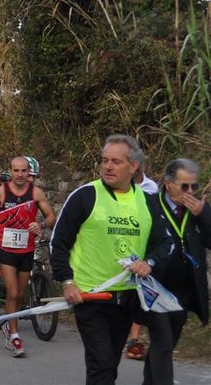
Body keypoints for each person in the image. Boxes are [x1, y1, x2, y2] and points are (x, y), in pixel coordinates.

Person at [50, 134, 172, 384]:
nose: (107, 166)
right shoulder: (85, 196)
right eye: (104, 160)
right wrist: (67, 282)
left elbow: (165, 243)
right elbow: (58, 243)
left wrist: (148, 263)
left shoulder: (148, 202)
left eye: (116, 161)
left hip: (127, 297)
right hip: (91, 297)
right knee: (102, 366)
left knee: (110, 365)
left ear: (134, 166)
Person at [139, 158, 210, 385]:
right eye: (184, 186)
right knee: (163, 340)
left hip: (183, 291)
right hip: (156, 286)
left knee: (166, 344)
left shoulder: (197, 209)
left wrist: (203, 214)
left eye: (194, 187)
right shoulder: (149, 204)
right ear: (168, 183)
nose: (190, 192)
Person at [0, 156, 55, 357]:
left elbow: (51, 217)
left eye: (24, 171)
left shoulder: (36, 192)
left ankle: (9, 327)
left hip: (26, 249)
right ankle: (14, 335)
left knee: (21, 294)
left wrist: (41, 225)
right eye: (16, 170)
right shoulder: (1, 191)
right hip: (6, 249)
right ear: (10, 172)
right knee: (12, 293)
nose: (20, 174)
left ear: (29, 172)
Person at [126, 153, 159, 360]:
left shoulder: (151, 188)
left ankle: (134, 340)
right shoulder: (118, 187)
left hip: (144, 244)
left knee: (142, 291)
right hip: (125, 242)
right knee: (130, 291)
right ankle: (131, 339)